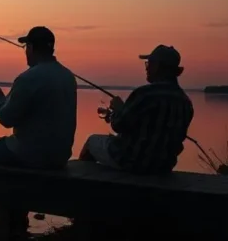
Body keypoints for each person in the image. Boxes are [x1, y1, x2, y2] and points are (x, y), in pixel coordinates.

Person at [0, 26, 78, 241]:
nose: (25, 51)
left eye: (26, 47)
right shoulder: (67, 76)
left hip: (31, 153)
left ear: (32, 48)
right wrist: (3, 100)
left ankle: (0, 222)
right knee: (8, 150)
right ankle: (18, 219)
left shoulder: (28, 78)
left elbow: (7, 119)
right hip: (60, 154)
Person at [80, 45, 194, 175]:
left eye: (148, 64)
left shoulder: (145, 94)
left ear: (157, 66)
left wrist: (118, 109)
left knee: (91, 142)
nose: (146, 68)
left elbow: (118, 125)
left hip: (131, 161)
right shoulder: (185, 102)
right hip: (164, 167)